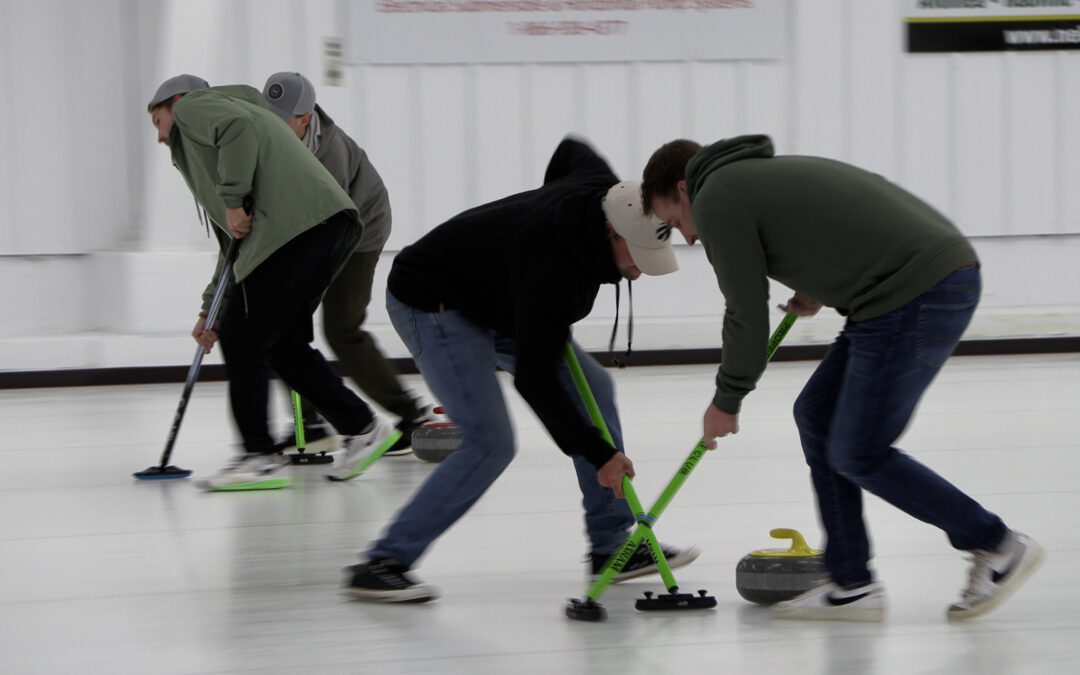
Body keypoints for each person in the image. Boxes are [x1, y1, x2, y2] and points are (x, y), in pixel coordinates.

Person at [641, 134, 1044, 621]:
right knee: (817, 415)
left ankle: (997, 544)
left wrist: (727, 399)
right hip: (912, 285)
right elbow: (829, 228)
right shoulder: (748, 177)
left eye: (674, 222)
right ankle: (851, 581)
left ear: (682, 189)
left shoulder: (715, 196)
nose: (688, 237)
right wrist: (813, 286)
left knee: (858, 451)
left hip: (911, 292)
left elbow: (745, 310)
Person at [344, 137, 698, 602]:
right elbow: (535, 379)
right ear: (611, 231)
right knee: (490, 441)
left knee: (596, 389)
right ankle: (383, 561)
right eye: (636, 256)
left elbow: (571, 150)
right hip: (434, 301)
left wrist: (536, 218)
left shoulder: (603, 187)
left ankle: (612, 546)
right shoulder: (556, 270)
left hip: (504, 300)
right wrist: (599, 453)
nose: (637, 273)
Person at [147, 74, 398, 490]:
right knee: (282, 345)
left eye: (157, 121)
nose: (159, 136)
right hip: (326, 227)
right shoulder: (223, 145)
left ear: (174, 101)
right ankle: (364, 428)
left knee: (243, 338)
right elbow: (233, 243)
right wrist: (212, 308)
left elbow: (237, 129)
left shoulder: (194, 107)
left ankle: (259, 456)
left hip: (297, 230)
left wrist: (232, 200)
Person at [261, 72, 431, 456]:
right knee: (283, 327)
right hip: (305, 232)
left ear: (305, 118)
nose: (272, 125)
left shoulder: (329, 154)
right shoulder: (266, 138)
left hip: (358, 230)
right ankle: (311, 426)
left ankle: (411, 414)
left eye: (281, 119)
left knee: (341, 328)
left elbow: (329, 224)